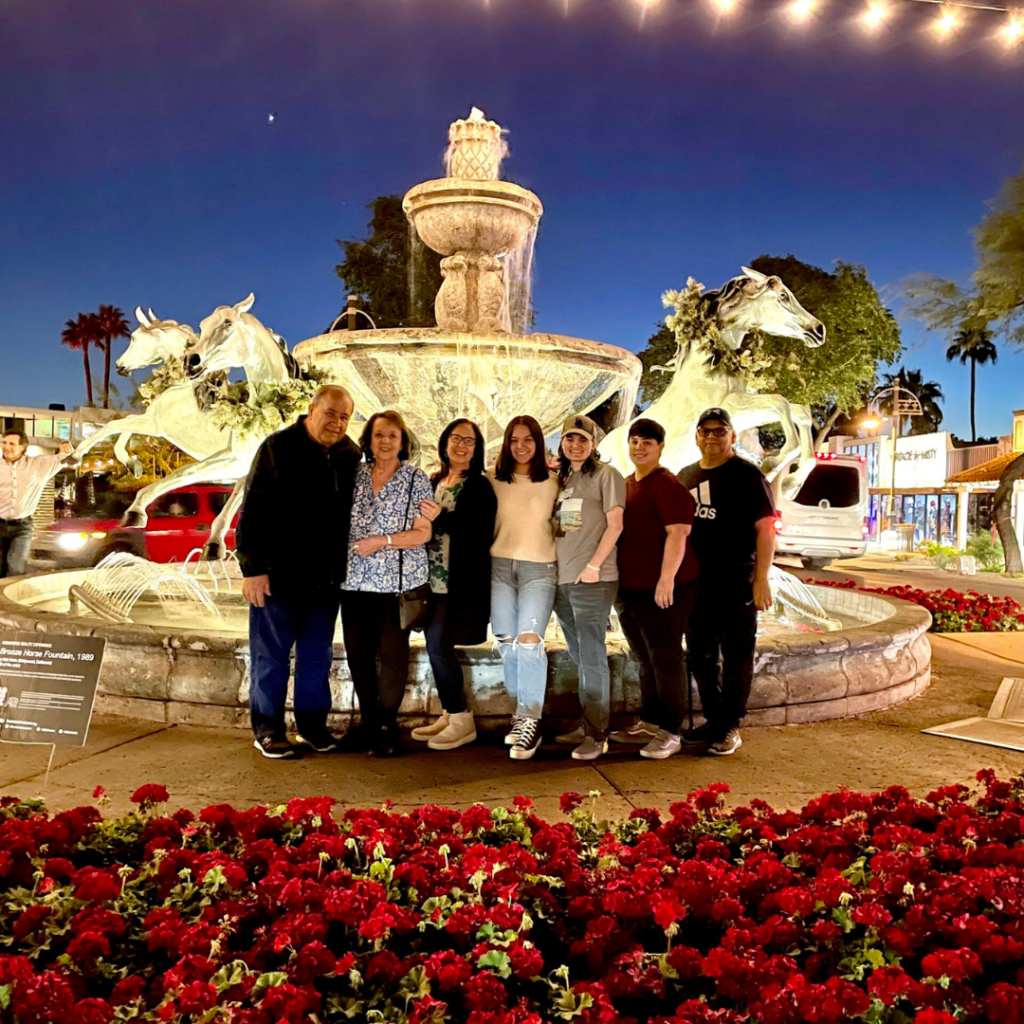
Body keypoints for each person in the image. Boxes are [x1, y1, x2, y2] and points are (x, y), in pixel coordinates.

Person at [236, 386, 360, 759]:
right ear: (311, 409)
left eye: (344, 417)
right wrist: (253, 569)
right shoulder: (277, 447)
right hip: (279, 578)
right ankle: (268, 729)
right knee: (270, 658)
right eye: (330, 413)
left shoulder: (349, 454)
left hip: (326, 582)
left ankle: (311, 726)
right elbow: (252, 509)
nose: (337, 423)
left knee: (315, 660)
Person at [677, 407, 776, 757]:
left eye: (720, 431)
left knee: (736, 656)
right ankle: (715, 718)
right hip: (694, 583)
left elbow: (765, 530)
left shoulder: (748, 476)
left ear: (732, 436)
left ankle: (730, 724)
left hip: (736, 580)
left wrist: (761, 579)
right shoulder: (686, 475)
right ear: (697, 436)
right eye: (705, 431)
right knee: (701, 656)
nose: (712, 437)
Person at [340, 410, 433, 758]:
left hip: (395, 585)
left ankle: (385, 725)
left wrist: (382, 541)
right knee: (359, 655)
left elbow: (423, 533)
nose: (385, 441)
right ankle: (368, 721)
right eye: (379, 435)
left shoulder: (415, 479)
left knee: (393, 657)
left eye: (393, 435)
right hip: (353, 582)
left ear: (403, 442)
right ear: (368, 440)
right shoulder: (355, 476)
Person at [611, 418, 699, 759]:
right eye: (634, 441)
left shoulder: (668, 485)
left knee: (665, 658)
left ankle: (670, 730)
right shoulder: (627, 483)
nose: (639, 447)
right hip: (630, 587)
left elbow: (678, 534)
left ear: (660, 447)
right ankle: (650, 721)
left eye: (647, 442)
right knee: (644, 657)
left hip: (663, 588)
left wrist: (667, 580)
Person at [412, 418, 497, 751]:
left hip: (457, 583)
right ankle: (450, 713)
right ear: (445, 441)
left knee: (439, 646)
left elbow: (477, 533)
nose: (462, 445)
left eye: (470, 441)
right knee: (436, 645)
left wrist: (439, 518)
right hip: (431, 580)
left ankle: (462, 719)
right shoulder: (435, 480)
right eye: (456, 438)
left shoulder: (478, 485)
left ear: (476, 449)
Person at [552, 414, 625, 761]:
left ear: (594, 444)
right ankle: (587, 723)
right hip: (564, 580)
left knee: (593, 656)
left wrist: (594, 565)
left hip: (593, 579)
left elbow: (616, 524)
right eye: (569, 439)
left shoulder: (606, 476)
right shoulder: (566, 479)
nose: (575, 445)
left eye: (582, 439)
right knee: (580, 656)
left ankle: (598, 735)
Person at [488, 415, 559, 760]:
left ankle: (531, 719)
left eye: (528, 439)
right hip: (499, 568)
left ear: (539, 442)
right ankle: (521, 714)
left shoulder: (556, 482)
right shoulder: (492, 480)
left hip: (539, 569)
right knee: (505, 640)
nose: (520, 446)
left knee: (529, 641)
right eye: (514, 440)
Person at [1, 431, 73, 578]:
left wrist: (65, 444)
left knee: (15, 568)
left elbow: (67, 457)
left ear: (22, 447)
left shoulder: (38, 465)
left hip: (22, 527)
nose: (6, 447)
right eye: (4, 442)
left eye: (12, 443)